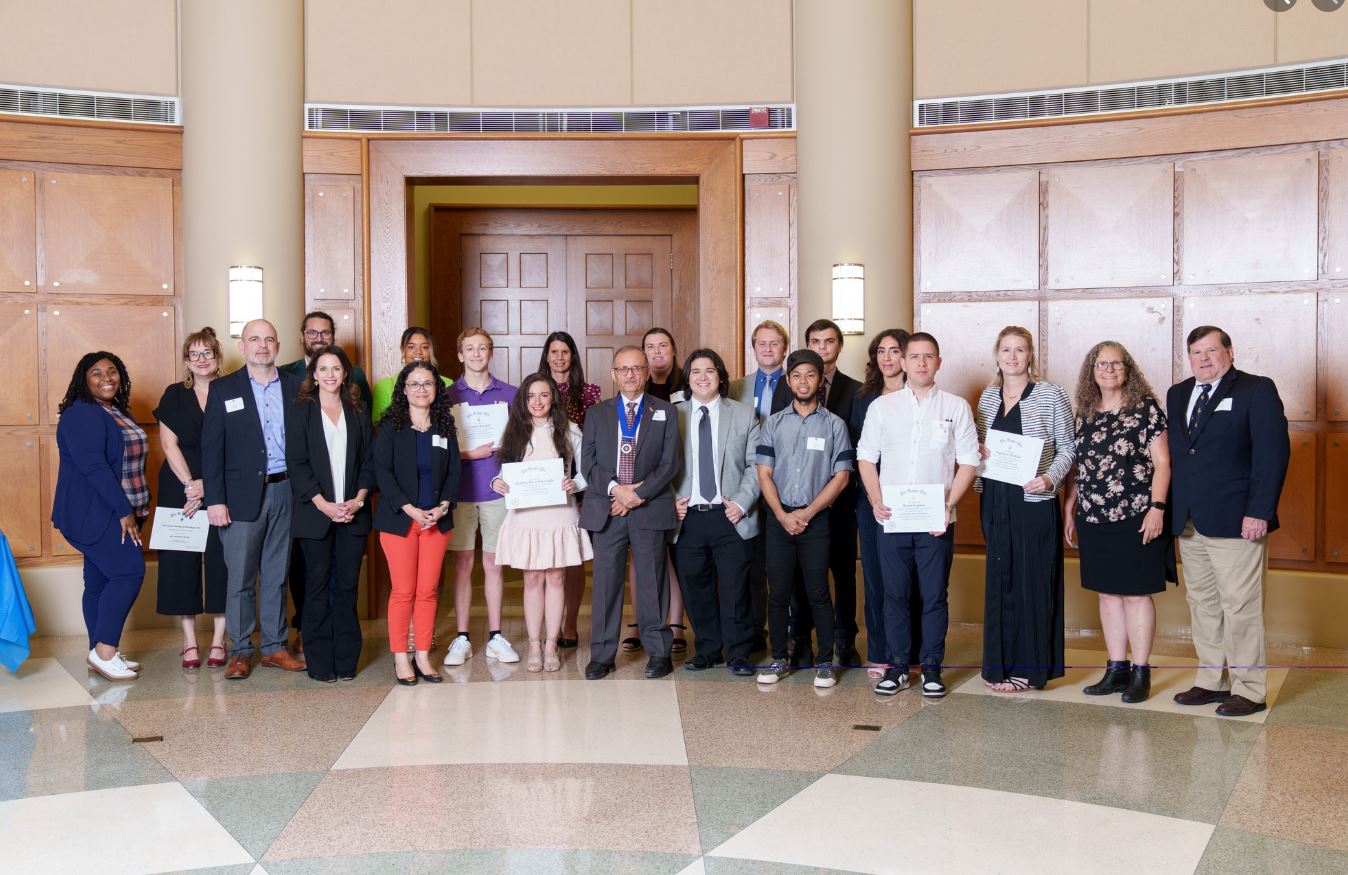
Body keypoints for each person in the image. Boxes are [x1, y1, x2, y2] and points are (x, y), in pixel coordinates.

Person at [1166, 326, 1289, 717]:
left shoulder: (1257, 389)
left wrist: (1260, 511)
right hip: (1189, 519)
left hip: (1238, 519)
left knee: (1241, 605)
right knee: (1202, 602)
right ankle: (1210, 680)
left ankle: (1250, 689)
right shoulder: (1178, 393)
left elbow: (1272, 455)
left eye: (1211, 350)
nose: (1203, 359)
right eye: (1195, 353)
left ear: (1229, 352)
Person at [857, 333, 979, 698]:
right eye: (915, 357)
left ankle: (931, 668)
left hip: (936, 521)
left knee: (933, 596)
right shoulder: (883, 407)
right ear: (904, 362)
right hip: (892, 518)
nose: (921, 363)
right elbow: (866, 457)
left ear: (939, 363)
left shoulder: (956, 407)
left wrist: (948, 505)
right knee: (893, 594)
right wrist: (876, 499)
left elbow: (969, 461)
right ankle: (896, 667)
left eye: (929, 357)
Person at [1064, 342, 1173, 704]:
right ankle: (1116, 669)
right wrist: (1070, 506)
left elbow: (1163, 464)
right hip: (1093, 515)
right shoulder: (1085, 412)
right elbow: (1082, 467)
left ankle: (1141, 673)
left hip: (1137, 515)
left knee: (1136, 593)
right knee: (1108, 594)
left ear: (1128, 369)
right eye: (1101, 363)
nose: (1108, 369)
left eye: (1116, 363)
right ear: (1091, 369)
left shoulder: (1145, 410)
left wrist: (1157, 507)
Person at [202, 319, 306, 680]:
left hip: (286, 490)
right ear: (242, 347)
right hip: (239, 497)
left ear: (278, 345)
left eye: (268, 339)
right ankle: (241, 651)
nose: (262, 345)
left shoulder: (297, 387)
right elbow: (211, 450)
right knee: (241, 578)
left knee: (277, 575)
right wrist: (214, 500)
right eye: (254, 339)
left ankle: (276, 647)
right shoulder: (223, 389)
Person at [974, 326, 1076, 693]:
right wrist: (980, 453)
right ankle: (998, 667)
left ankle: (1030, 670)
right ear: (997, 355)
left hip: (1033, 499)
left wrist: (1049, 479)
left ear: (1031, 354)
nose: (1013, 357)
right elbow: (979, 446)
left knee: (1033, 579)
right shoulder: (987, 397)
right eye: (1006, 350)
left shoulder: (1050, 394)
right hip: (995, 498)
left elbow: (1069, 447)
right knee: (1001, 581)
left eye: (1020, 350)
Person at [579, 345, 681, 680]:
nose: (630, 375)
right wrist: (616, 491)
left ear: (647, 372)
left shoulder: (664, 411)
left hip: (648, 508)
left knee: (652, 581)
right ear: (613, 374)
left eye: (637, 368)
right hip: (608, 509)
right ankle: (602, 655)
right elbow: (588, 464)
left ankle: (659, 651)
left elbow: (670, 464)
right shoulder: (598, 413)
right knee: (606, 584)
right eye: (623, 369)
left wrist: (636, 494)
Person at [755, 349, 853, 689]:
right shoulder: (774, 424)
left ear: (819, 380)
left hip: (817, 520)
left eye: (810, 375)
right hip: (779, 520)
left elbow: (841, 477)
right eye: (796, 375)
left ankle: (825, 661)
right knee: (778, 592)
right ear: (788, 380)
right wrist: (782, 515)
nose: (803, 381)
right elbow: (763, 473)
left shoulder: (835, 425)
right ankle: (779, 657)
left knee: (818, 593)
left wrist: (807, 513)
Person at [52, 352, 150, 682]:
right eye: (96, 373)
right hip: (97, 512)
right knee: (128, 572)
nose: (106, 377)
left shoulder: (113, 410)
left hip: (117, 509)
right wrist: (124, 511)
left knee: (98, 580)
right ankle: (106, 651)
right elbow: (94, 466)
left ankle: (98, 652)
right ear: (84, 378)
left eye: (112, 371)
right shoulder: (81, 414)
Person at [278, 310, 373, 652]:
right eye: (323, 369)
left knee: (346, 583)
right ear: (313, 375)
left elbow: (367, 456)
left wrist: (357, 501)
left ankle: (344, 652)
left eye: (336, 368)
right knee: (311, 581)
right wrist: (323, 504)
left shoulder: (358, 407)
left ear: (346, 373)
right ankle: (312, 644)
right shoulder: (300, 406)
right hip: (313, 509)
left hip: (351, 507)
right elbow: (297, 461)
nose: (330, 374)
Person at [771, 319, 862, 667]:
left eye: (828, 342)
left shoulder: (855, 390)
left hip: (838, 501)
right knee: (799, 577)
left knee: (841, 575)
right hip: (795, 501)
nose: (822, 347)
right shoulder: (790, 386)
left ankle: (844, 643)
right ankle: (802, 642)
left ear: (839, 346)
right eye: (815, 341)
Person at [490, 374, 592, 672]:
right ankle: (534, 644)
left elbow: (586, 472)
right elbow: (501, 472)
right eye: (531, 396)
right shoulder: (512, 431)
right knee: (532, 578)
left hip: (560, 512)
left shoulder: (570, 430)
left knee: (557, 577)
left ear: (553, 399)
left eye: (544, 395)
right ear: (523, 400)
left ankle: (551, 644)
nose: (537, 401)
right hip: (526, 515)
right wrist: (498, 482)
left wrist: (574, 483)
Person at [672, 349, 761, 676]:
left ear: (720, 377)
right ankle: (707, 649)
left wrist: (741, 502)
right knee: (696, 587)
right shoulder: (673, 414)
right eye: (696, 371)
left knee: (736, 587)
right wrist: (670, 501)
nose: (703, 377)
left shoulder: (743, 414)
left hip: (731, 514)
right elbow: (660, 465)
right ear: (688, 379)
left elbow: (756, 464)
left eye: (710, 371)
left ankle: (738, 653)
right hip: (688, 516)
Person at [373, 361, 461, 685]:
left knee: (427, 591)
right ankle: (401, 658)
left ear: (436, 389)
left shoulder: (444, 427)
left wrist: (443, 506)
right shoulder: (390, 427)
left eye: (428, 383)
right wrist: (409, 508)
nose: (421, 389)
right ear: (404, 389)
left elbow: (454, 472)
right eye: (414, 384)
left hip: (436, 521)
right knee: (403, 591)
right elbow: (382, 472)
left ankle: (422, 655)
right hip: (400, 520)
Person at [153, 327, 228, 670]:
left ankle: (218, 639)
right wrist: (191, 486)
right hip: (178, 487)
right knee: (181, 563)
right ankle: (188, 640)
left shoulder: (231, 392)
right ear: (186, 360)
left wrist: (208, 487)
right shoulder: (173, 394)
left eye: (207, 353)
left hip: (221, 487)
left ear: (217, 358)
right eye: (194, 354)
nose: (201, 359)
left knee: (222, 561)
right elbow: (169, 445)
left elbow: (238, 447)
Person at [443, 328, 519, 666]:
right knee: (462, 564)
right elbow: (439, 448)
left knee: (493, 563)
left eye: (482, 348)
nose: (476, 354)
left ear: (491, 353)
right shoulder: (445, 395)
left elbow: (521, 444)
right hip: (459, 491)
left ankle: (495, 636)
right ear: (460, 355)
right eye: (469, 349)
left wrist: (508, 473)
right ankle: (460, 637)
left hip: (495, 490)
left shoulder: (511, 394)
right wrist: (466, 454)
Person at [849, 328, 921, 680]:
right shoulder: (862, 398)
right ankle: (880, 650)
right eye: (882, 351)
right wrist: (872, 495)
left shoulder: (921, 395)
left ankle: (915, 652)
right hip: (872, 500)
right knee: (877, 578)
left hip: (916, 499)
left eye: (896, 350)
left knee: (915, 579)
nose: (888, 357)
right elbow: (857, 452)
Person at [538, 331, 600, 649]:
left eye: (565, 352)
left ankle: (571, 624)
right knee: (548, 561)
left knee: (573, 559)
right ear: (546, 356)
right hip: (542, 486)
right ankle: (549, 626)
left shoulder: (587, 393)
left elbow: (595, 438)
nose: (560, 357)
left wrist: (582, 481)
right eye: (554, 351)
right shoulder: (536, 388)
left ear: (573, 356)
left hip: (578, 482)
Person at [729, 319, 788, 650]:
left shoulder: (796, 383)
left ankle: (787, 627)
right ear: (753, 349)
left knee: (781, 560)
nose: (768, 349)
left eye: (774, 343)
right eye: (761, 343)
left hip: (784, 483)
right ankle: (754, 627)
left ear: (784, 348)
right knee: (749, 557)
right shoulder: (736, 388)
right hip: (747, 485)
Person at [637, 326, 688, 652]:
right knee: (640, 555)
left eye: (663, 346)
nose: (657, 352)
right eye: (650, 347)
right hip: (641, 483)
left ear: (672, 350)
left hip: (680, 477)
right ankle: (637, 622)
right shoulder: (636, 386)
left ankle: (675, 623)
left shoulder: (688, 383)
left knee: (675, 554)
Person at [371, 326, 450, 423]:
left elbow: (450, 421)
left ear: (430, 352)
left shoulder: (447, 383)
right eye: (411, 347)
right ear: (403, 350)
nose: (418, 352)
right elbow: (378, 426)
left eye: (424, 347)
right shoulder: (383, 386)